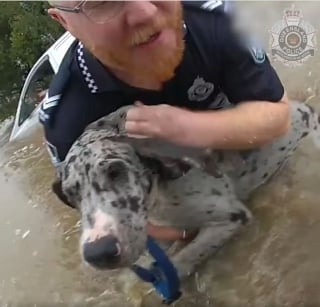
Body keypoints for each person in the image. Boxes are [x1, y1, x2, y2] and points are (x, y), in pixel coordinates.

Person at [41, 0, 289, 241]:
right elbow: (119, 220)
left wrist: (188, 128)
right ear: (65, 21)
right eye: (104, 2)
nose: (146, 12)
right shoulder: (67, 123)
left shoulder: (217, 23)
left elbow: (279, 116)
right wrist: (185, 233)